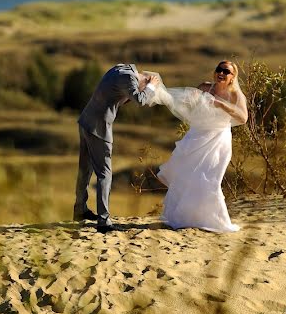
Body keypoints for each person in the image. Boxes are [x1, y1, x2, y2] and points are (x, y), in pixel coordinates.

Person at [153, 60, 248, 233]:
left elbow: (243, 118)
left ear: (232, 77)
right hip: (196, 137)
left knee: (209, 178)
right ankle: (184, 218)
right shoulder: (205, 87)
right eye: (219, 69)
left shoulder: (235, 95)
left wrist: (221, 104)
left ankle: (215, 221)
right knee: (187, 175)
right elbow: (189, 104)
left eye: (226, 71)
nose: (221, 73)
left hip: (218, 139)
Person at [74, 63, 160, 233]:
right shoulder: (129, 78)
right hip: (98, 128)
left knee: (85, 169)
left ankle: (80, 209)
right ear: (144, 79)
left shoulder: (120, 69)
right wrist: (151, 86)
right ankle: (104, 221)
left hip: (86, 121)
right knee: (105, 174)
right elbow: (140, 100)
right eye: (143, 87)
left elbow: (116, 96)